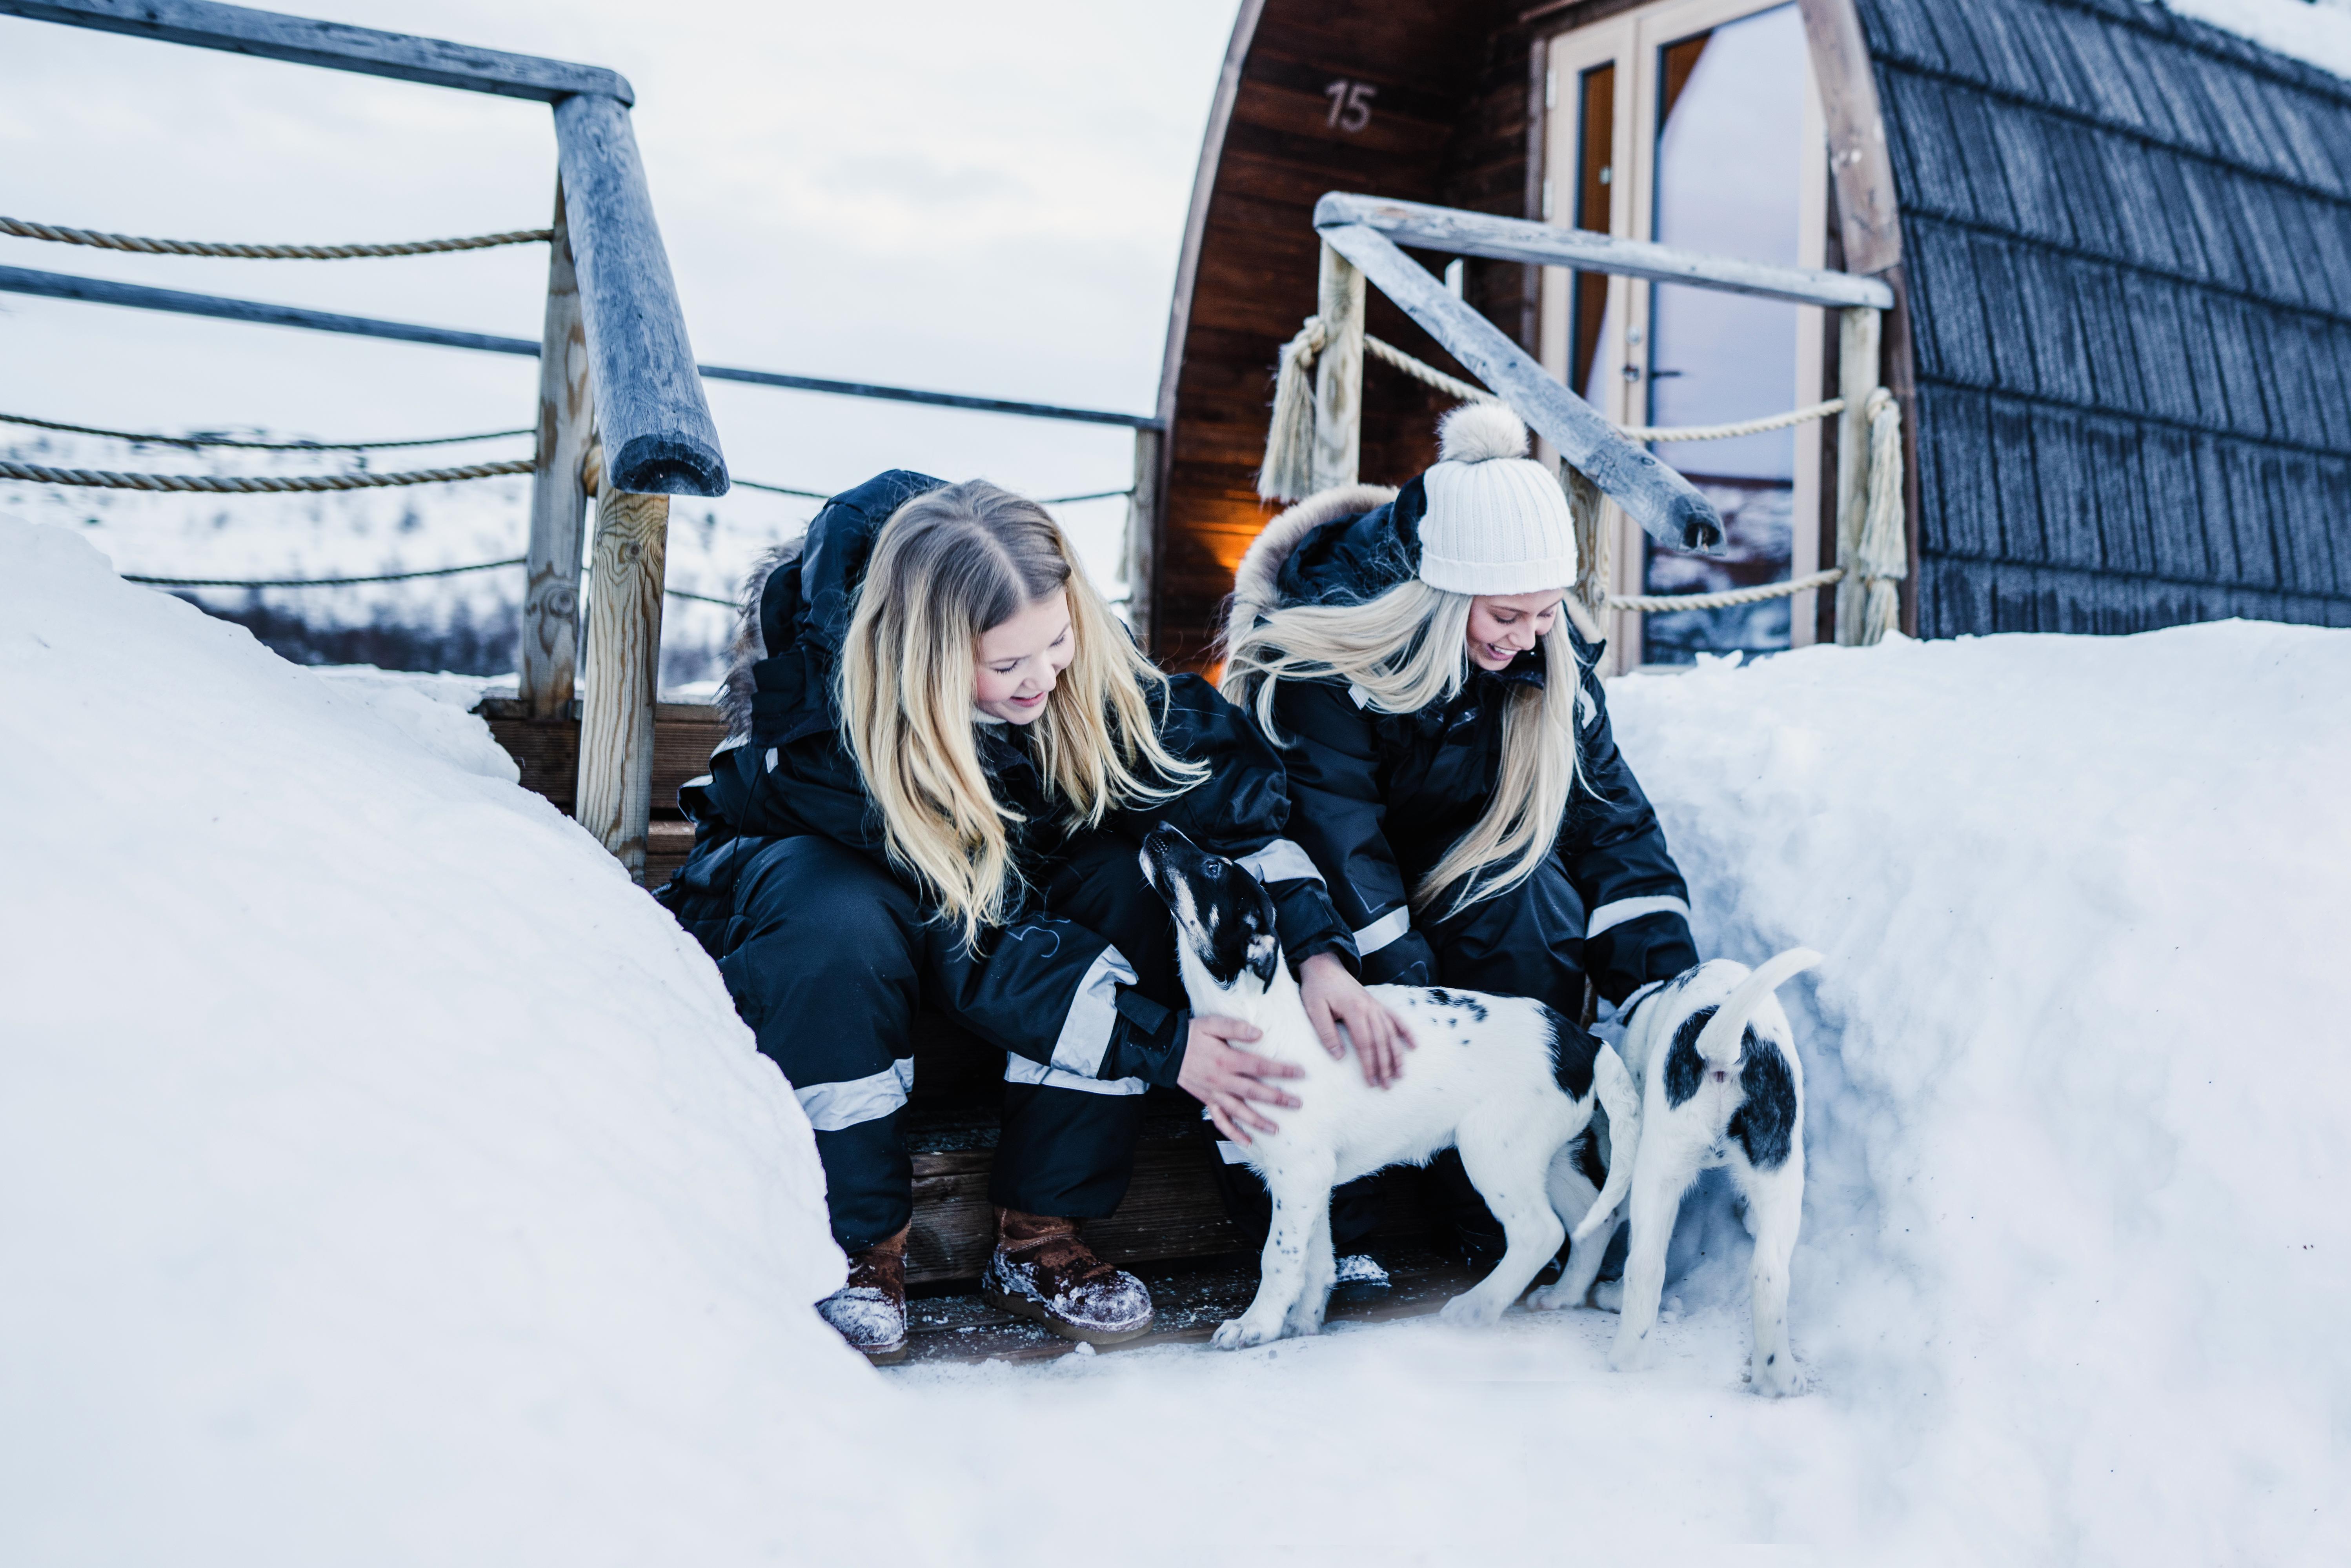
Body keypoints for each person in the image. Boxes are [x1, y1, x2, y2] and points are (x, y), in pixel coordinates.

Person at [658, 473, 1401, 1362]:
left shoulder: (1074, 669)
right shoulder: (838, 733)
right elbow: (979, 942)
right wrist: (1165, 1045)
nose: (1043, 675)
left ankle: (1041, 1234)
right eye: (1007, 664)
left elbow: (1228, 807)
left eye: (1056, 642)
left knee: (1132, 880)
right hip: (848, 918)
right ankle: (856, 1243)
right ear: (927, 658)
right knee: (836, 921)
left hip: (995, 912)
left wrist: (1317, 950)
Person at [1217, 403, 1700, 1270]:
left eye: (1548, 613)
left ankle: (1502, 1197)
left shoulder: (1544, 658)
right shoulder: (1325, 661)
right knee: (1344, 971)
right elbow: (1333, 830)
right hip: (1332, 898)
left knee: (1529, 905)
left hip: (1449, 879)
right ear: (1442, 594)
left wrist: (1664, 979)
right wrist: (1418, 993)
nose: (1528, 642)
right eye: (1507, 617)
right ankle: (1341, 1226)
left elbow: (1611, 818)